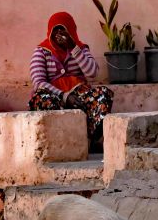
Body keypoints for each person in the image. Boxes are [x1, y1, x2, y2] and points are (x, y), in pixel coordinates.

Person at [29, 12, 114, 151]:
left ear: (70, 31)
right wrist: (64, 96)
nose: (59, 34)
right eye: (55, 30)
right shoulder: (41, 52)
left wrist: (74, 47)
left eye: (63, 29)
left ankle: (92, 140)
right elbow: (38, 82)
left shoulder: (80, 48)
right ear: (49, 32)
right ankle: (55, 142)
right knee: (40, 98)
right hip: (55, 96)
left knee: (103, 94)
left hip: (80, 96)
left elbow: (93, 73)